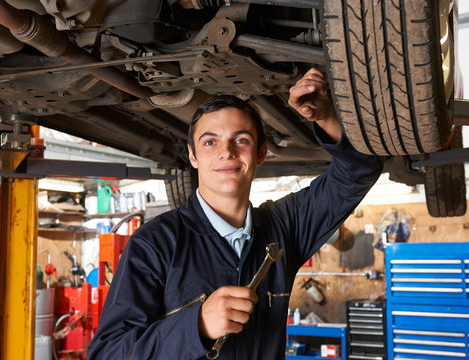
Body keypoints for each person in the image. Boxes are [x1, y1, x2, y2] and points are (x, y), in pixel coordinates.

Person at [87, 68, 384, 359]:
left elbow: (358, 171)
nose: (226, 152)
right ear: (193, 156)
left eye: (241, 140)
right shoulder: (154, 243)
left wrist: (326, 118)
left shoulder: (285, 227)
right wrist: (197, 325)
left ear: (261, 152)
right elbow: (107, 353)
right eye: (210, 142)